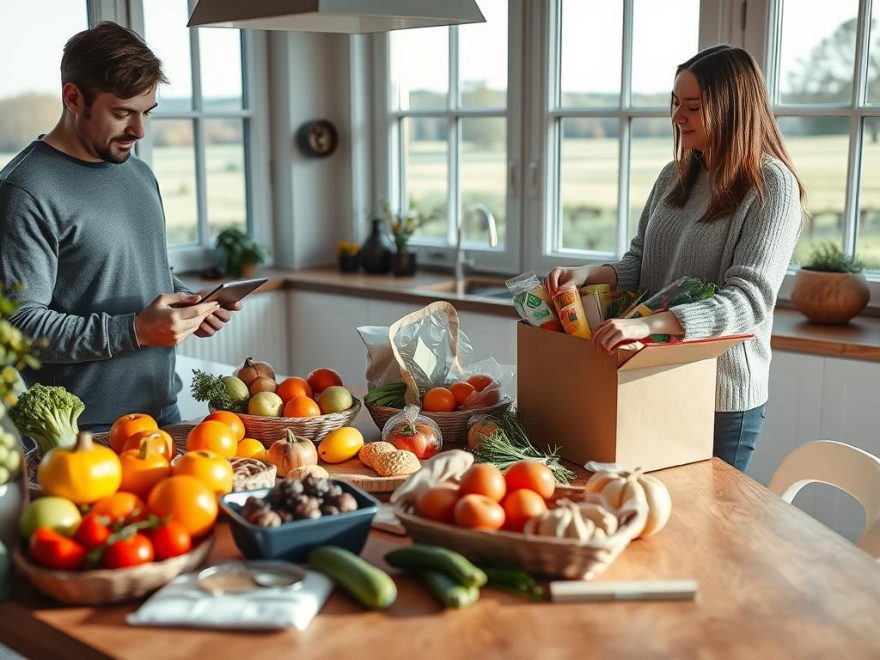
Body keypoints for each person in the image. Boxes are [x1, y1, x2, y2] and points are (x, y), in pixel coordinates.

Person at [548, 45, 806, 472]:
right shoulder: (675, 176)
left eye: (692, 106)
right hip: (653, 375)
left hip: (720, 395)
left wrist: (647, 325)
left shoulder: (771, 186)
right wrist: (587, 274)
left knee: (709, 525)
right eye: (675, 103)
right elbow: (640, 263)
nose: (676, 116)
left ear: (731, 109)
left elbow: (748, 302)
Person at [0, 21, 240, 432]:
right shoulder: (26, 189)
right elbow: (17, 327)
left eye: (146, 112)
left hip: (162, 414)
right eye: (122, 113)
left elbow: (142, 274)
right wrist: (134, 330)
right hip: (80, 433)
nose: (139, 130)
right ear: (73, 98)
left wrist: (188, 306)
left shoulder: (140, 174)